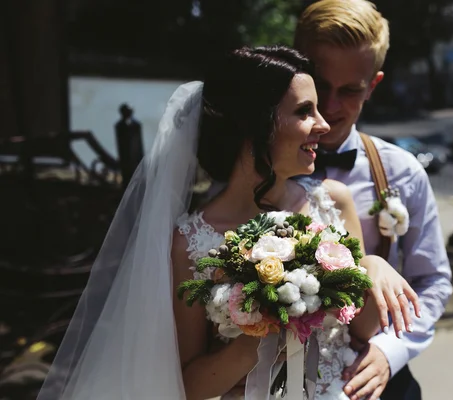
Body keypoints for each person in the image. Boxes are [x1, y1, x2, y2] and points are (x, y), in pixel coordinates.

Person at [36, 46, 420, 400]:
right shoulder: (190, 242)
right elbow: (187, 385)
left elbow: (359, 331)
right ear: (256, 126)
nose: (323, 124)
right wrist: (253, 342)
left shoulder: (333, 200)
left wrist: (372, 267)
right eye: (304, 111)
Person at [294, 1, 453, 399]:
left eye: (349, 91)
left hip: (369, 378)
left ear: (374, 85)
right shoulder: (253, 169)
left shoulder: (402, 172)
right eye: (319, 83)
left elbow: (432, 280)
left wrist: (389, 351)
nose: (329, 108)